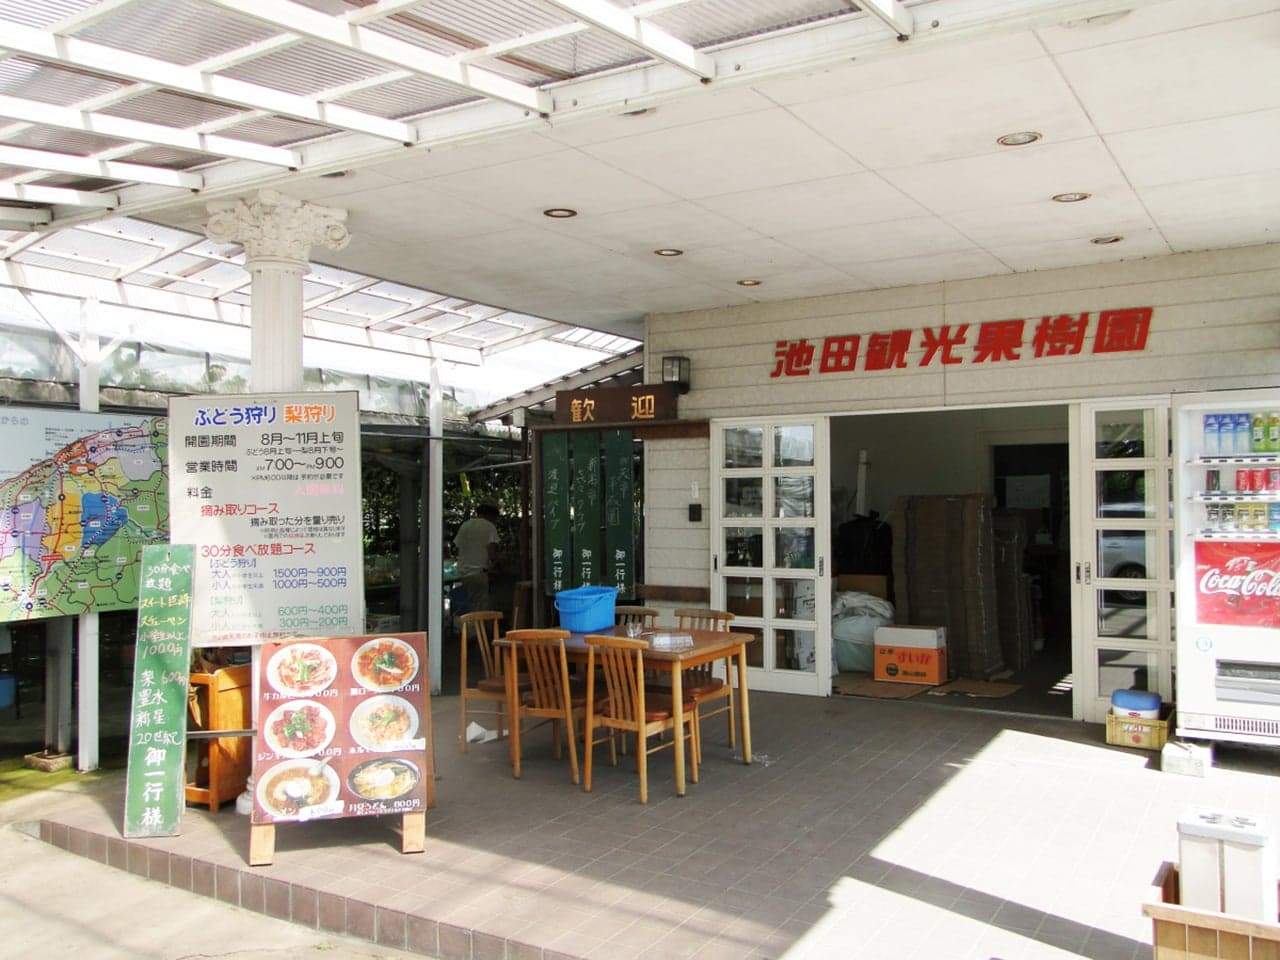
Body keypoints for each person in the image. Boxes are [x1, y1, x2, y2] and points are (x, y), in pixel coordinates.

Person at [453, 502, 500, 614]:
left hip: (464, 573)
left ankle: (472, 624)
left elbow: (458, 548)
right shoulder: (489, 526)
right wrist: (498, 561)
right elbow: (491, 552)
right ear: (491, 516)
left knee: (471, 604)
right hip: (479, 573)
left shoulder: (465, 525)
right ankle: (476, 626)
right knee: (480, 608)